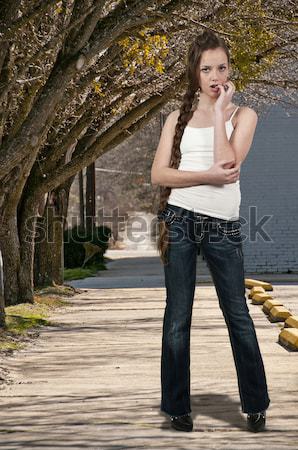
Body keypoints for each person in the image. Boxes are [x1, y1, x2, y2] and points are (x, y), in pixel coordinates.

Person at [151, 29, 270, 433]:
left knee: (237, 313)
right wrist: (202, 175)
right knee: (177, 316)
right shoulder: (175, 118)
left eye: (221, 67)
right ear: (195, 73)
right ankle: (177, 407)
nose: (216, 75)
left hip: (223, 225)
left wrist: (220, 114)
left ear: (230, 69)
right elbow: (159, 174)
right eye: (207, 69)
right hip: (180, 219)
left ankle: (255, 404)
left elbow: (229, 168)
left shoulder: (244, 116)